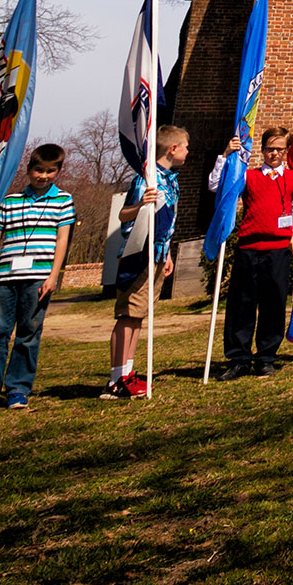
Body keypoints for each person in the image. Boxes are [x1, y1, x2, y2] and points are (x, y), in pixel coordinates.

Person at [0, 143, 75, 412]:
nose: (44, 176)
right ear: (29, 170)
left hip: (39, 277)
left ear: (58, 172)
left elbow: (62, 240)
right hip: (6, 277)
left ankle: (18, 389)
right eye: (39, 170)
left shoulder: (63, 200)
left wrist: (53, 276)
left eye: (51, 171)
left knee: (28, 334)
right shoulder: (9, 201)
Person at [208, 125, 293, 378]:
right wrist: (225, 156)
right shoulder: (248, 176)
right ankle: (238, 358)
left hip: (277, 250)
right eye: (270, 149)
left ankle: (266, 357)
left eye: (280, 149)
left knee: (273, 304)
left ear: (287, 151)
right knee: (242, 304)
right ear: (262, 150)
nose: (274, 154)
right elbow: (216, 187)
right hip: (249, 248)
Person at [105, 124, 187, 400]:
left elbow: (168, 224)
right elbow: (124, 215)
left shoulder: (172, 181)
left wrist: (169, 254)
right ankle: (116, 378)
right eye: (185, 147)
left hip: (157, 255)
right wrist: (141, 205)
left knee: (138, 316)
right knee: (127, 315)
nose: (188, 152)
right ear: (173, 149)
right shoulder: (146, 180)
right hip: (138, 254)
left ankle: (128, 373)